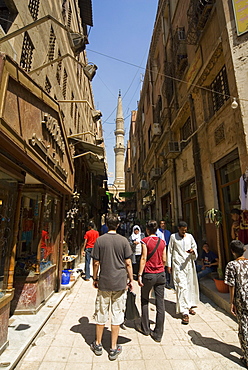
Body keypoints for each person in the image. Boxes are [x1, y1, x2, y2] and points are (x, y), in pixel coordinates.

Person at [91, 214, 133, 361]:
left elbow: (96, 263)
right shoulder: (124, 241)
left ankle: (98, 344)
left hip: (104, 282)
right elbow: (128, 263)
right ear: (118, 225)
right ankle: (113, 347)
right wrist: (131, 279)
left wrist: (95, 278)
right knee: (117, 314)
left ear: (106, 225)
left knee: (101, 312)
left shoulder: (100, 240)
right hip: (120, 283)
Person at [137, 220, 167, 342]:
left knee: (145, 300)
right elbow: (164, 259)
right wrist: (160, 268)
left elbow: (143, 258)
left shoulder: (145, 241)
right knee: (160, 303)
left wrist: (139, 274)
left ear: (147, 230)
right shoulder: (162, 242)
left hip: (148, 274)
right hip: (160, 274)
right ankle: (158, 333)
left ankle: (145, 328)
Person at [167, 221, 199, 325]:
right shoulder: (173, 237)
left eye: (185, 230)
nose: (184, 232)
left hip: (188, 265)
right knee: (182, 286)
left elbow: (195, 247)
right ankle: (184, 312)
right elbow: (169, 251)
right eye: (182, 230)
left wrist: (193, 251)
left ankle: (188, 305)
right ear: (178, 228)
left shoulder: (189, 237)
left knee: (189, 286)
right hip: (178, 266)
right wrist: (169, 265)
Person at [224, 240, 248, 369]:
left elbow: (231, 286)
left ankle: (247, 357)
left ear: (233, 251)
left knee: (244, 328)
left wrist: (231, 302)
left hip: (242, 299)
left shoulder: (232, 265)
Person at [158, 220, 172, 289]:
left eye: (164, 223)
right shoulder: (157, 232)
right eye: (161, 224)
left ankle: (167, 282)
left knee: (167, 265)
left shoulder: (168, 233)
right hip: (160, 248)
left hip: (166, 248)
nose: (163, 225)